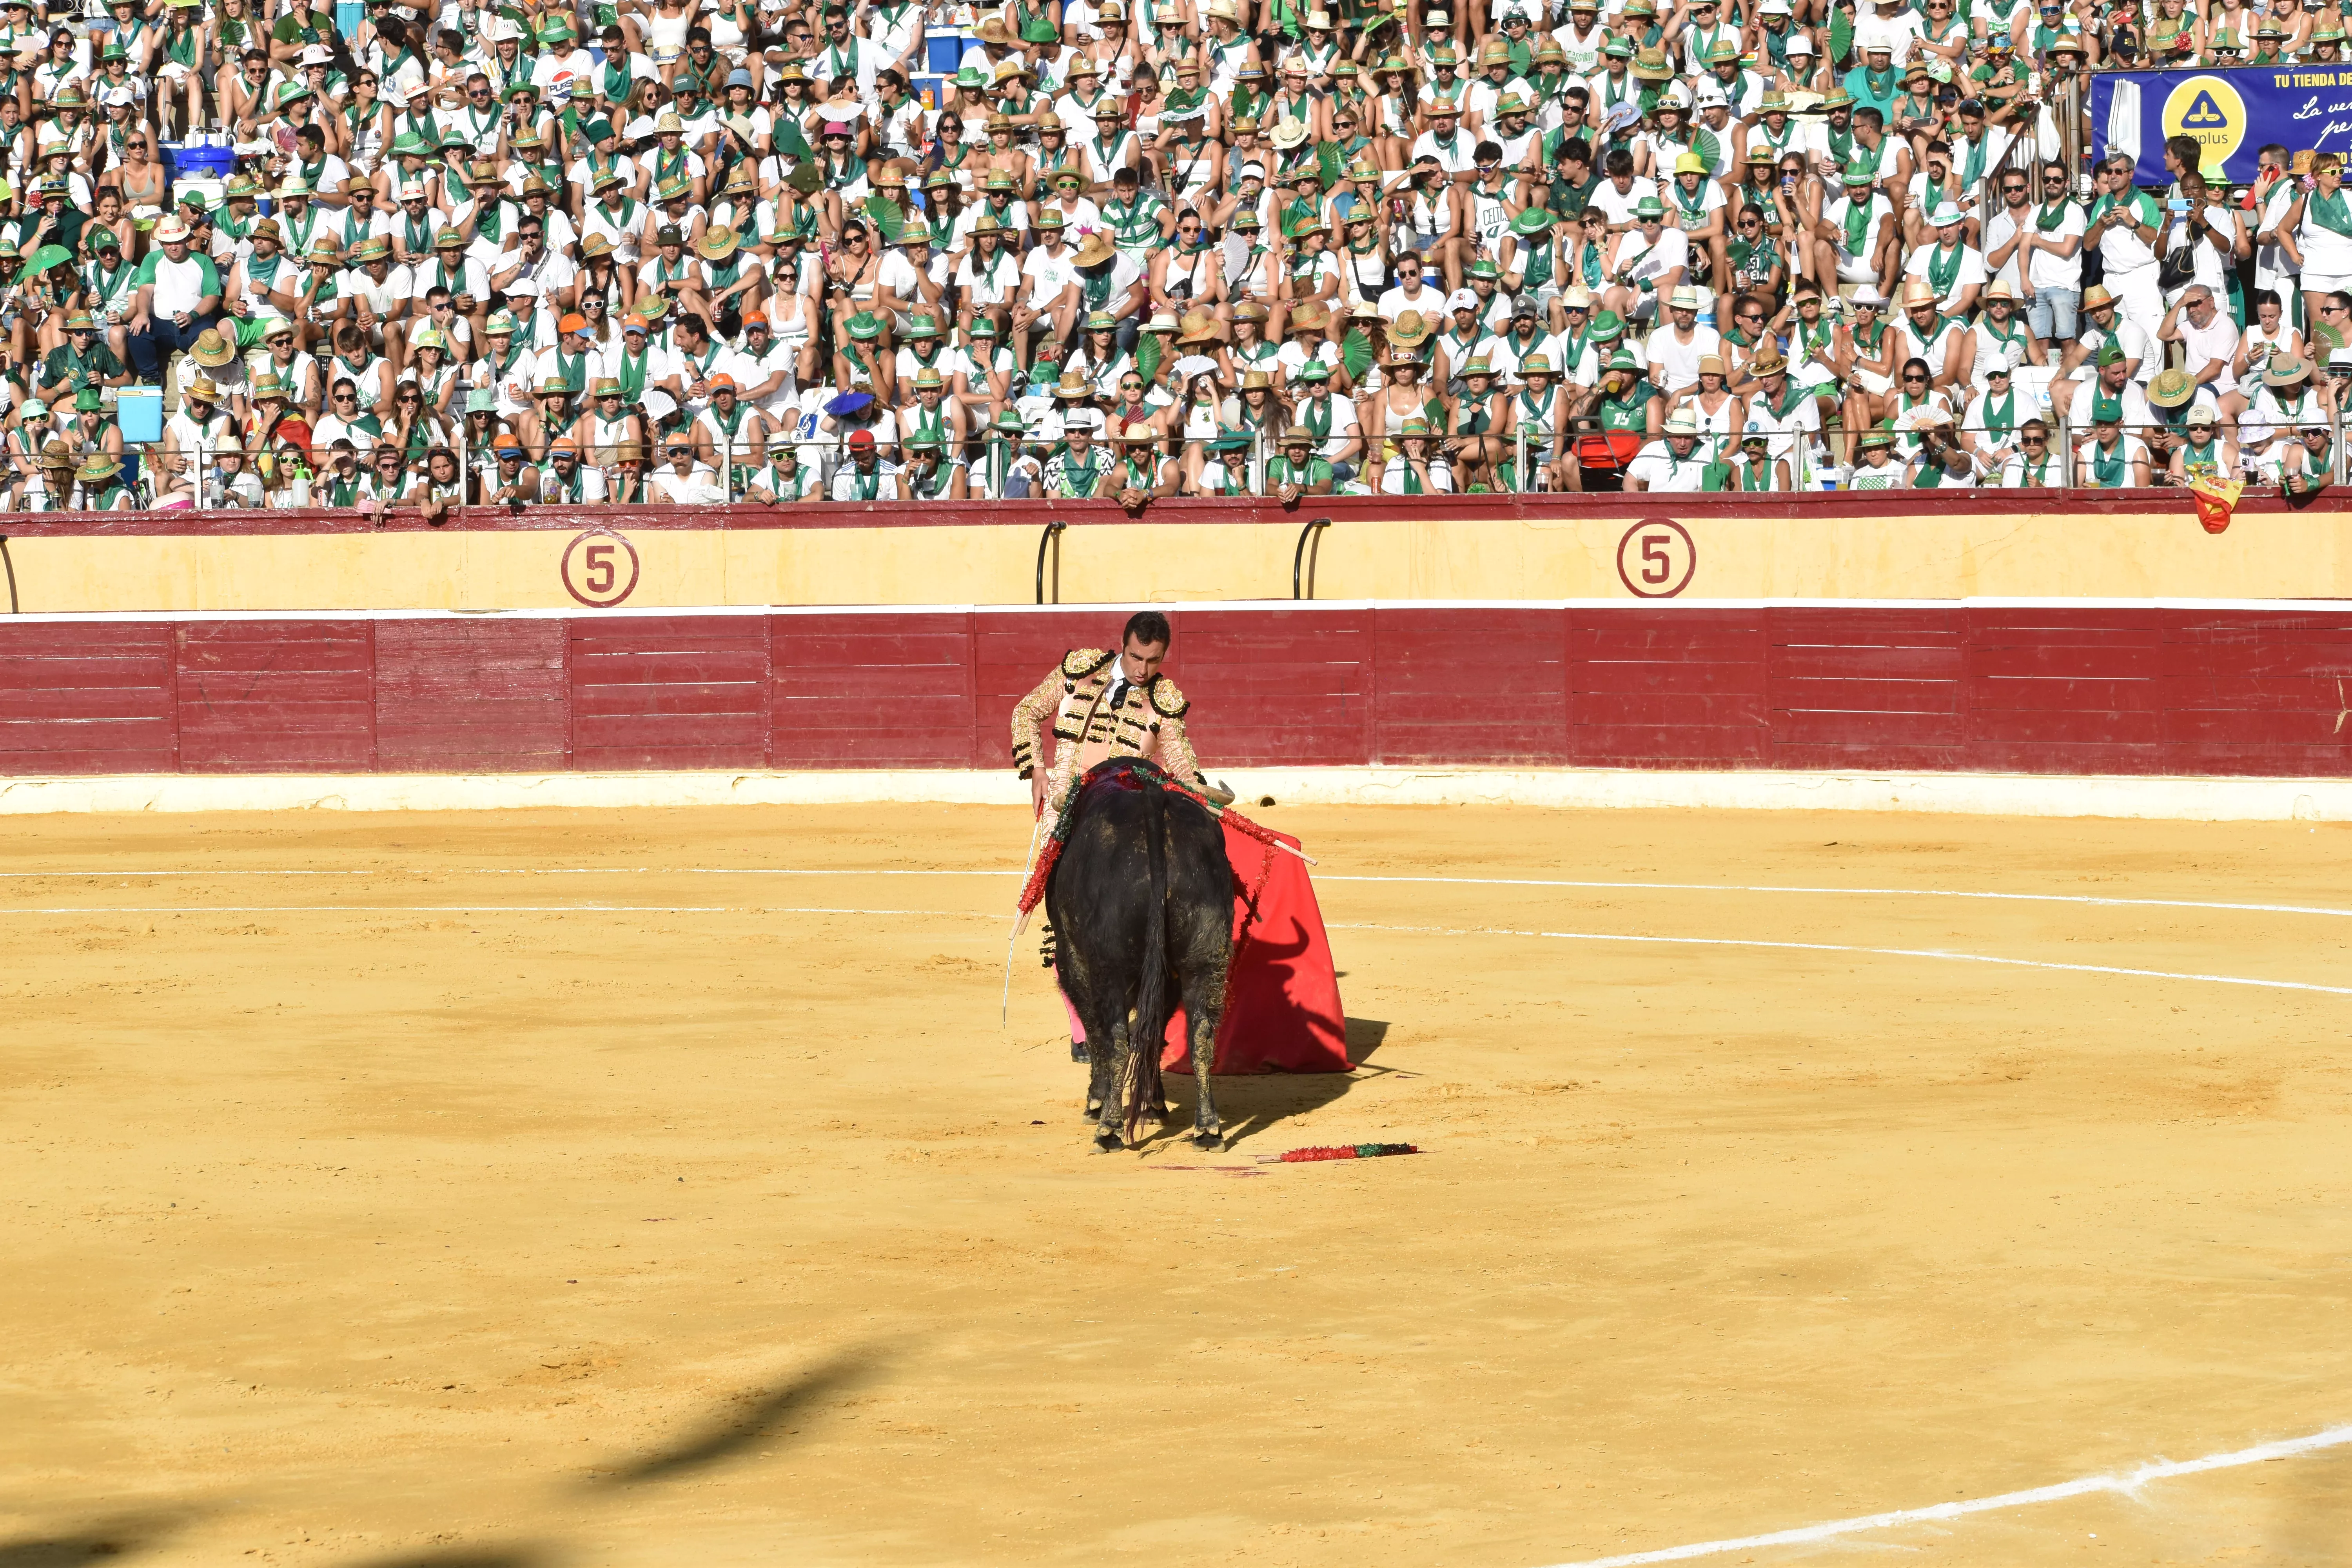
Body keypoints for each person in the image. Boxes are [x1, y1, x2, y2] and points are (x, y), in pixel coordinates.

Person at [1008, 608, 1203, 822]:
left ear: (1164, 654)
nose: (1143, 670)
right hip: (1062, 805)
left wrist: (1198, 794)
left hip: (1124, 816)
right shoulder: (1081, 672)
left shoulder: (1163, 702)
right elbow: (1026, 711)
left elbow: (1180, 759)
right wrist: (1037, 770)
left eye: (1153, 660)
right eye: (1136, 657)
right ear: (1123, 644)